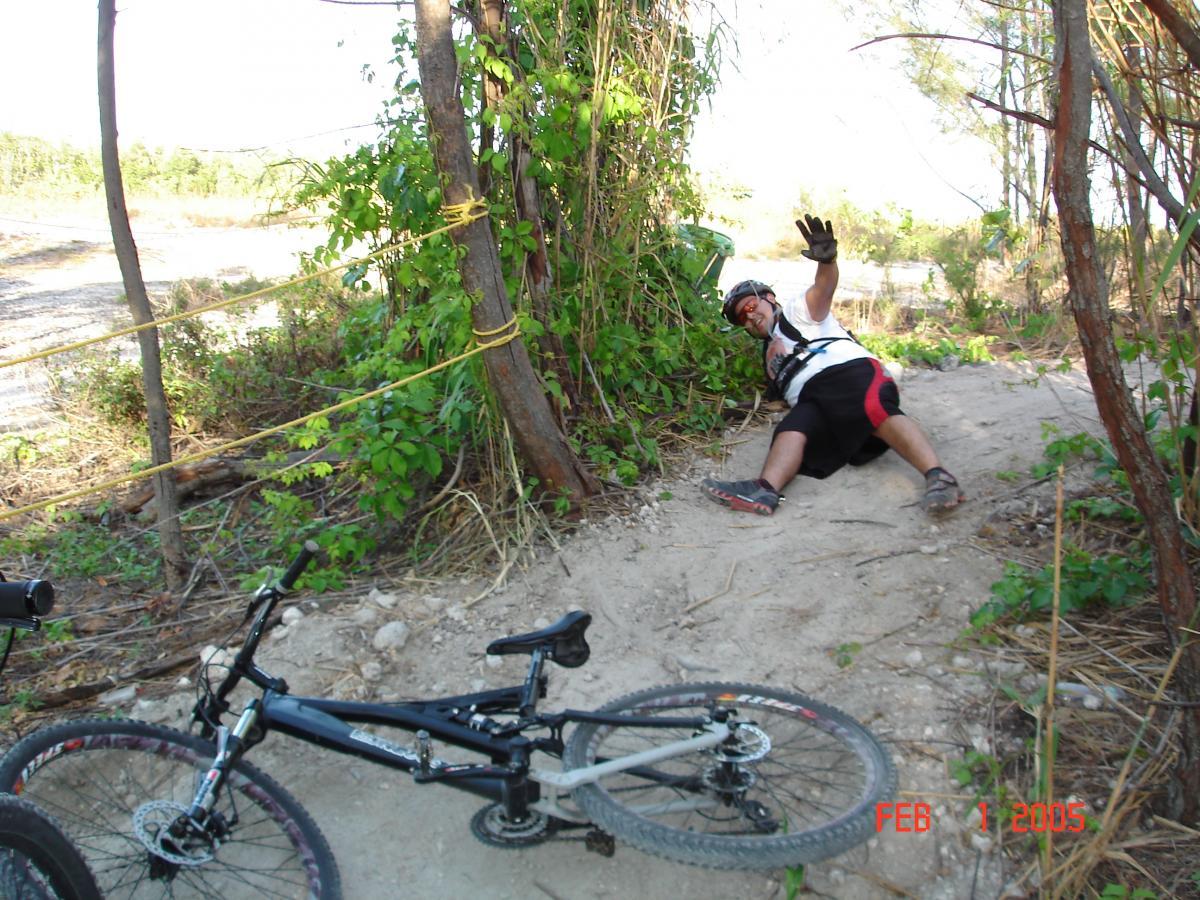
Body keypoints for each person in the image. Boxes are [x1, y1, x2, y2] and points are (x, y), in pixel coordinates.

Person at [700, 214, 965, 517]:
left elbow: (823, 287)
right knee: (793, 427)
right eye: (741, 319)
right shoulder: (768, 356)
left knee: (874, 409)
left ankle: (939, 476)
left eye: (749, 307)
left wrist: (827, 261)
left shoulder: (797, 311)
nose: (749, 317)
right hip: (813, 398)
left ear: (769, 298)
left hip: (846, 372)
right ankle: (765, 490)